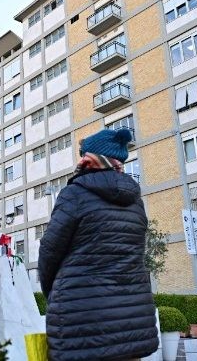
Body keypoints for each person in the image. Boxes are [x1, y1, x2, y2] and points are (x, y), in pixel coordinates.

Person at [38, 128, 159, 361]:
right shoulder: (136, 202)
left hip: (82, 320)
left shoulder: (74, 194)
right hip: (132, 322)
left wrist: (53, 293)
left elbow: (49, 252)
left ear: (90, 160)